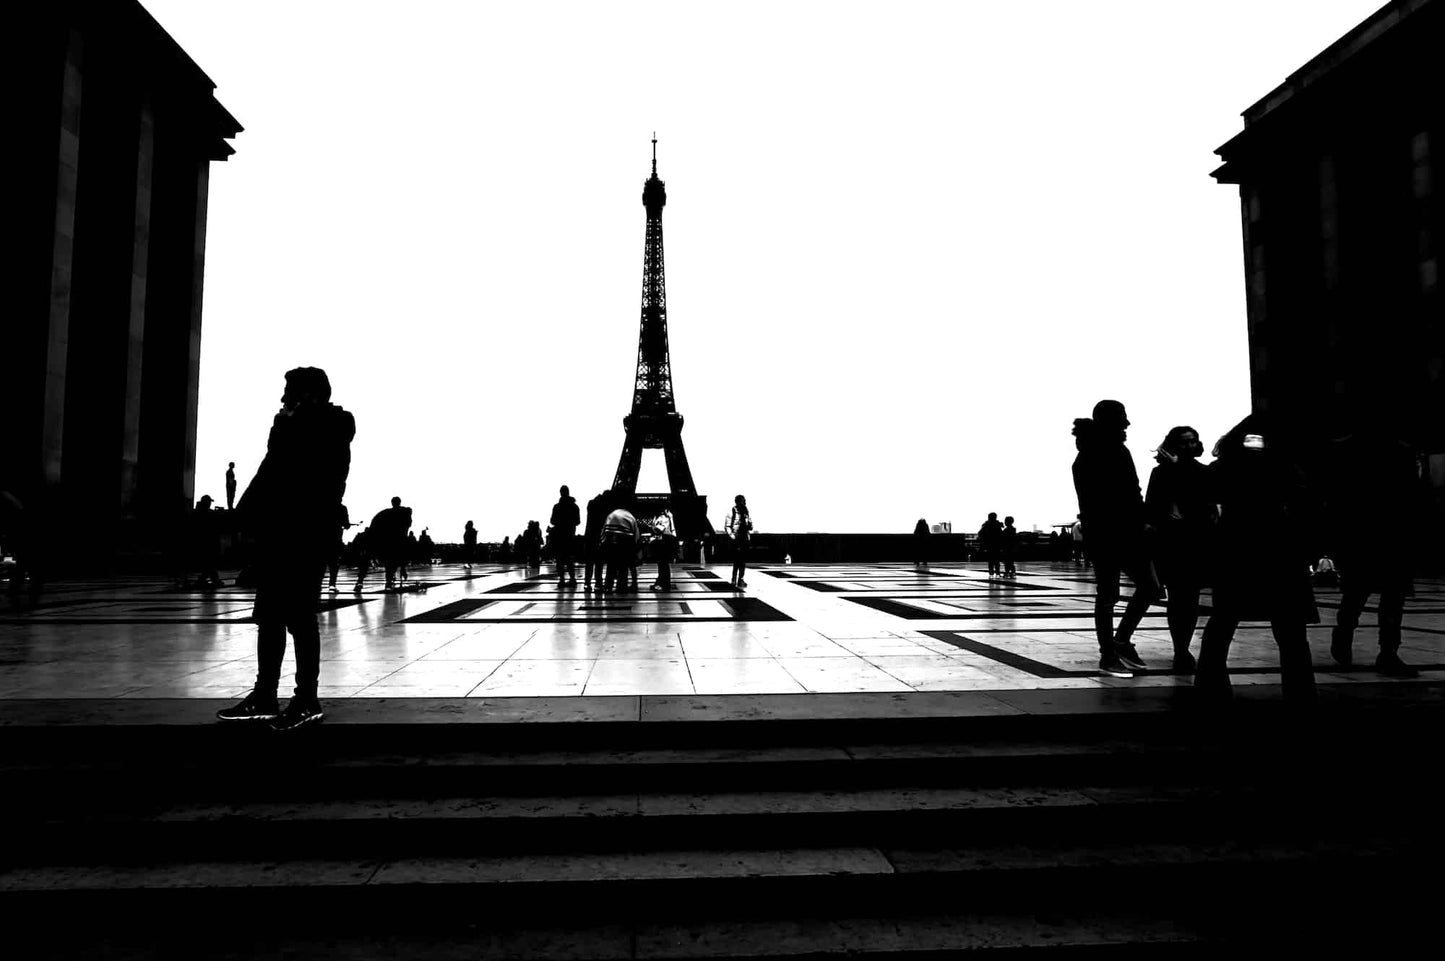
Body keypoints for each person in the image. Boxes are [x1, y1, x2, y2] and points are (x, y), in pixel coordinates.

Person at [218, 366, 354, 730]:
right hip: (279, 532)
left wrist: (294, 420)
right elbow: (270, 471)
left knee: (299, 617)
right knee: (269, 617)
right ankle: (265, 695)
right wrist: (246, 512)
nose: (287, 396)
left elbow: (315, 471)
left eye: (293, 390)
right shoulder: (288, 424)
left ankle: (306, 698)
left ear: (314, 393)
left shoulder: (335, 422)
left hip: (308, 531)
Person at [1194, 414, 1318, 704]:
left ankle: (1210, 684)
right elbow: (1304, 500)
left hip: (1237, 548)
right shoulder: (1285, 466)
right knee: (1290, 628)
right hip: (1279, 548)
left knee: (1224, 620)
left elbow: (1209, 493)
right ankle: (1300, 690)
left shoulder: (1224, 467)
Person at [1072, 401, 1161, 677]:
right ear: (1109, 421)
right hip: (1118, 533)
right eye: (1122, 419)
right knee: (1137, 590)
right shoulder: (1112, 452)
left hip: (1107, 533)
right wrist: (1143, 521)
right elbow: (1129, 494)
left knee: (1114, 594)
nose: (1127, 424)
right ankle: (1112, 650)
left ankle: (1114, 646)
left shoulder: (1087, 455)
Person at [1325, 426, 1421, 678]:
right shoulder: (1401, 451)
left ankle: (1354, 639)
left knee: (1360, 594)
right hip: (1384, 534)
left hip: (1367, 535)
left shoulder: (1345, 448)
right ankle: (1384, 650)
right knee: (1380, 597)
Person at [1145, 426, 1215, 673]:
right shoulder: (1162, 473)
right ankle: (1180, 648)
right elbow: (1152, 507)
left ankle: (1182, 648)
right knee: (1180, 599)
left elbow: (1200, 501)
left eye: (1192, 441)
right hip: (1173, 542)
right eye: (1184, 442)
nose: (1188, 446)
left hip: (1194, 541)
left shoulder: (1201, 472)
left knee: (1188, 599)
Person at [367, 497, 413, 590]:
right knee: (399, 559)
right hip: (400, 540)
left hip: (389, 541)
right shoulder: (404, 512)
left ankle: (389, 580)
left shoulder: (385, 513)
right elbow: (408, 524)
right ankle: (398, 574)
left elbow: (375, 524)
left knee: (390, 562)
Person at [600, 503, 639, 593]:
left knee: (611, 566)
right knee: (623, 566)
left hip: (611, 544)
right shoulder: (630, 516)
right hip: (625, 543)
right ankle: (621, 587)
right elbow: (636, 535)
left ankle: (608, 586)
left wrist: (603, 544)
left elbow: (603, 532)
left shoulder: (611, 514)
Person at [550, 485, 581, 587]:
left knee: (559, 559)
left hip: (559, 535)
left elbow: (552, 521)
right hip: (570, 535)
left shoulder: (557, 507)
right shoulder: (575, 507)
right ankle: (572, 578)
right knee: (569, 559)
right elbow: (578, 522)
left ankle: (562, 579)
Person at [190, 495, 222, 589]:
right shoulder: (207, 514)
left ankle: (206, 580)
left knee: (208, 564)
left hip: (202, 542)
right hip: (208, 542)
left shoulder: (197, 513)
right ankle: (211, 580)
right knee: (209, 563)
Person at [583, 490, 611, 589]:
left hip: (590, 536)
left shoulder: (591, 504)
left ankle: (587, 582)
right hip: (600, 536)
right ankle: (598, 583)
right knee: (599, 562)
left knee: (589, 562)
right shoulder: (606, 507)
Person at [725, 494, 754, 589]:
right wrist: (732, 536)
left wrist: (750, 525)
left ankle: (740, 579)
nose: (744, 502)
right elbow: (727, 526)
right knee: (737, 560)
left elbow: (750, 525)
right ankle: (734, 579)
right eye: (743, 500)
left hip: (744, 538)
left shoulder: (746, 512)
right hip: (737, 539)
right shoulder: (732, 512)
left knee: (743, 561)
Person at [650, 510, 678, 591]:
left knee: (663, 564)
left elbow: (658, 529)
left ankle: (664, 584)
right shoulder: (667, 517)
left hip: (665, 541)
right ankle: (661, 583)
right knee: (663, 564)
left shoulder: (663, 518)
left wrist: (654, 525)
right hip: (668, 541)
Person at [326, 504, 351, 592]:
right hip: (335, 538)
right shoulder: (342, 508)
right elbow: (346, 525)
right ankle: (332, 585)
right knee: (334, 562)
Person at [977, 513, 1003, 577]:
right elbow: (1000, 535)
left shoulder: (986, 525)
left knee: (990, 560)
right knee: (997, 560)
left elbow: (980, 533)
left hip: (989, 544)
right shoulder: (998, 525)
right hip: (997, 544)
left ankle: (991, 572)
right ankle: (997, 572)